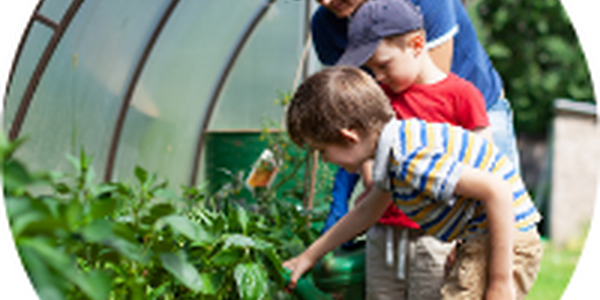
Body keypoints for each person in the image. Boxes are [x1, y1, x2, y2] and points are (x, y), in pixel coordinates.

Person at [283, 65, 543, 300]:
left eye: (322, 150)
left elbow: (497, 191)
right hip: (484, 237)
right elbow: (366, 212)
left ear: (349, 136)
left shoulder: (408, 158)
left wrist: (500, 281)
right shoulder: (395, 149)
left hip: (507, 242)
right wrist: (308, 257)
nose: (326, 161)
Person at [313, 0, 521, 241]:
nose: (326, 1)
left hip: (471, 112)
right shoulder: (325, 25)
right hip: (388, 123)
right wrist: (367, 169)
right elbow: (353, 111)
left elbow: (429, 109)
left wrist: (378, 161)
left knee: (497, 230)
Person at [327, 0, 494, 298]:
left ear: (417, 44)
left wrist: (465, 237)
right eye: (370, 69)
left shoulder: (463, 97)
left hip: (435, 234)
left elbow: (483, 170)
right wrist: (371, 181)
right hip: (383, 232)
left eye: (382, 65)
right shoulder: (379, 98)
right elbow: (368, 150)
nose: (377, 76)